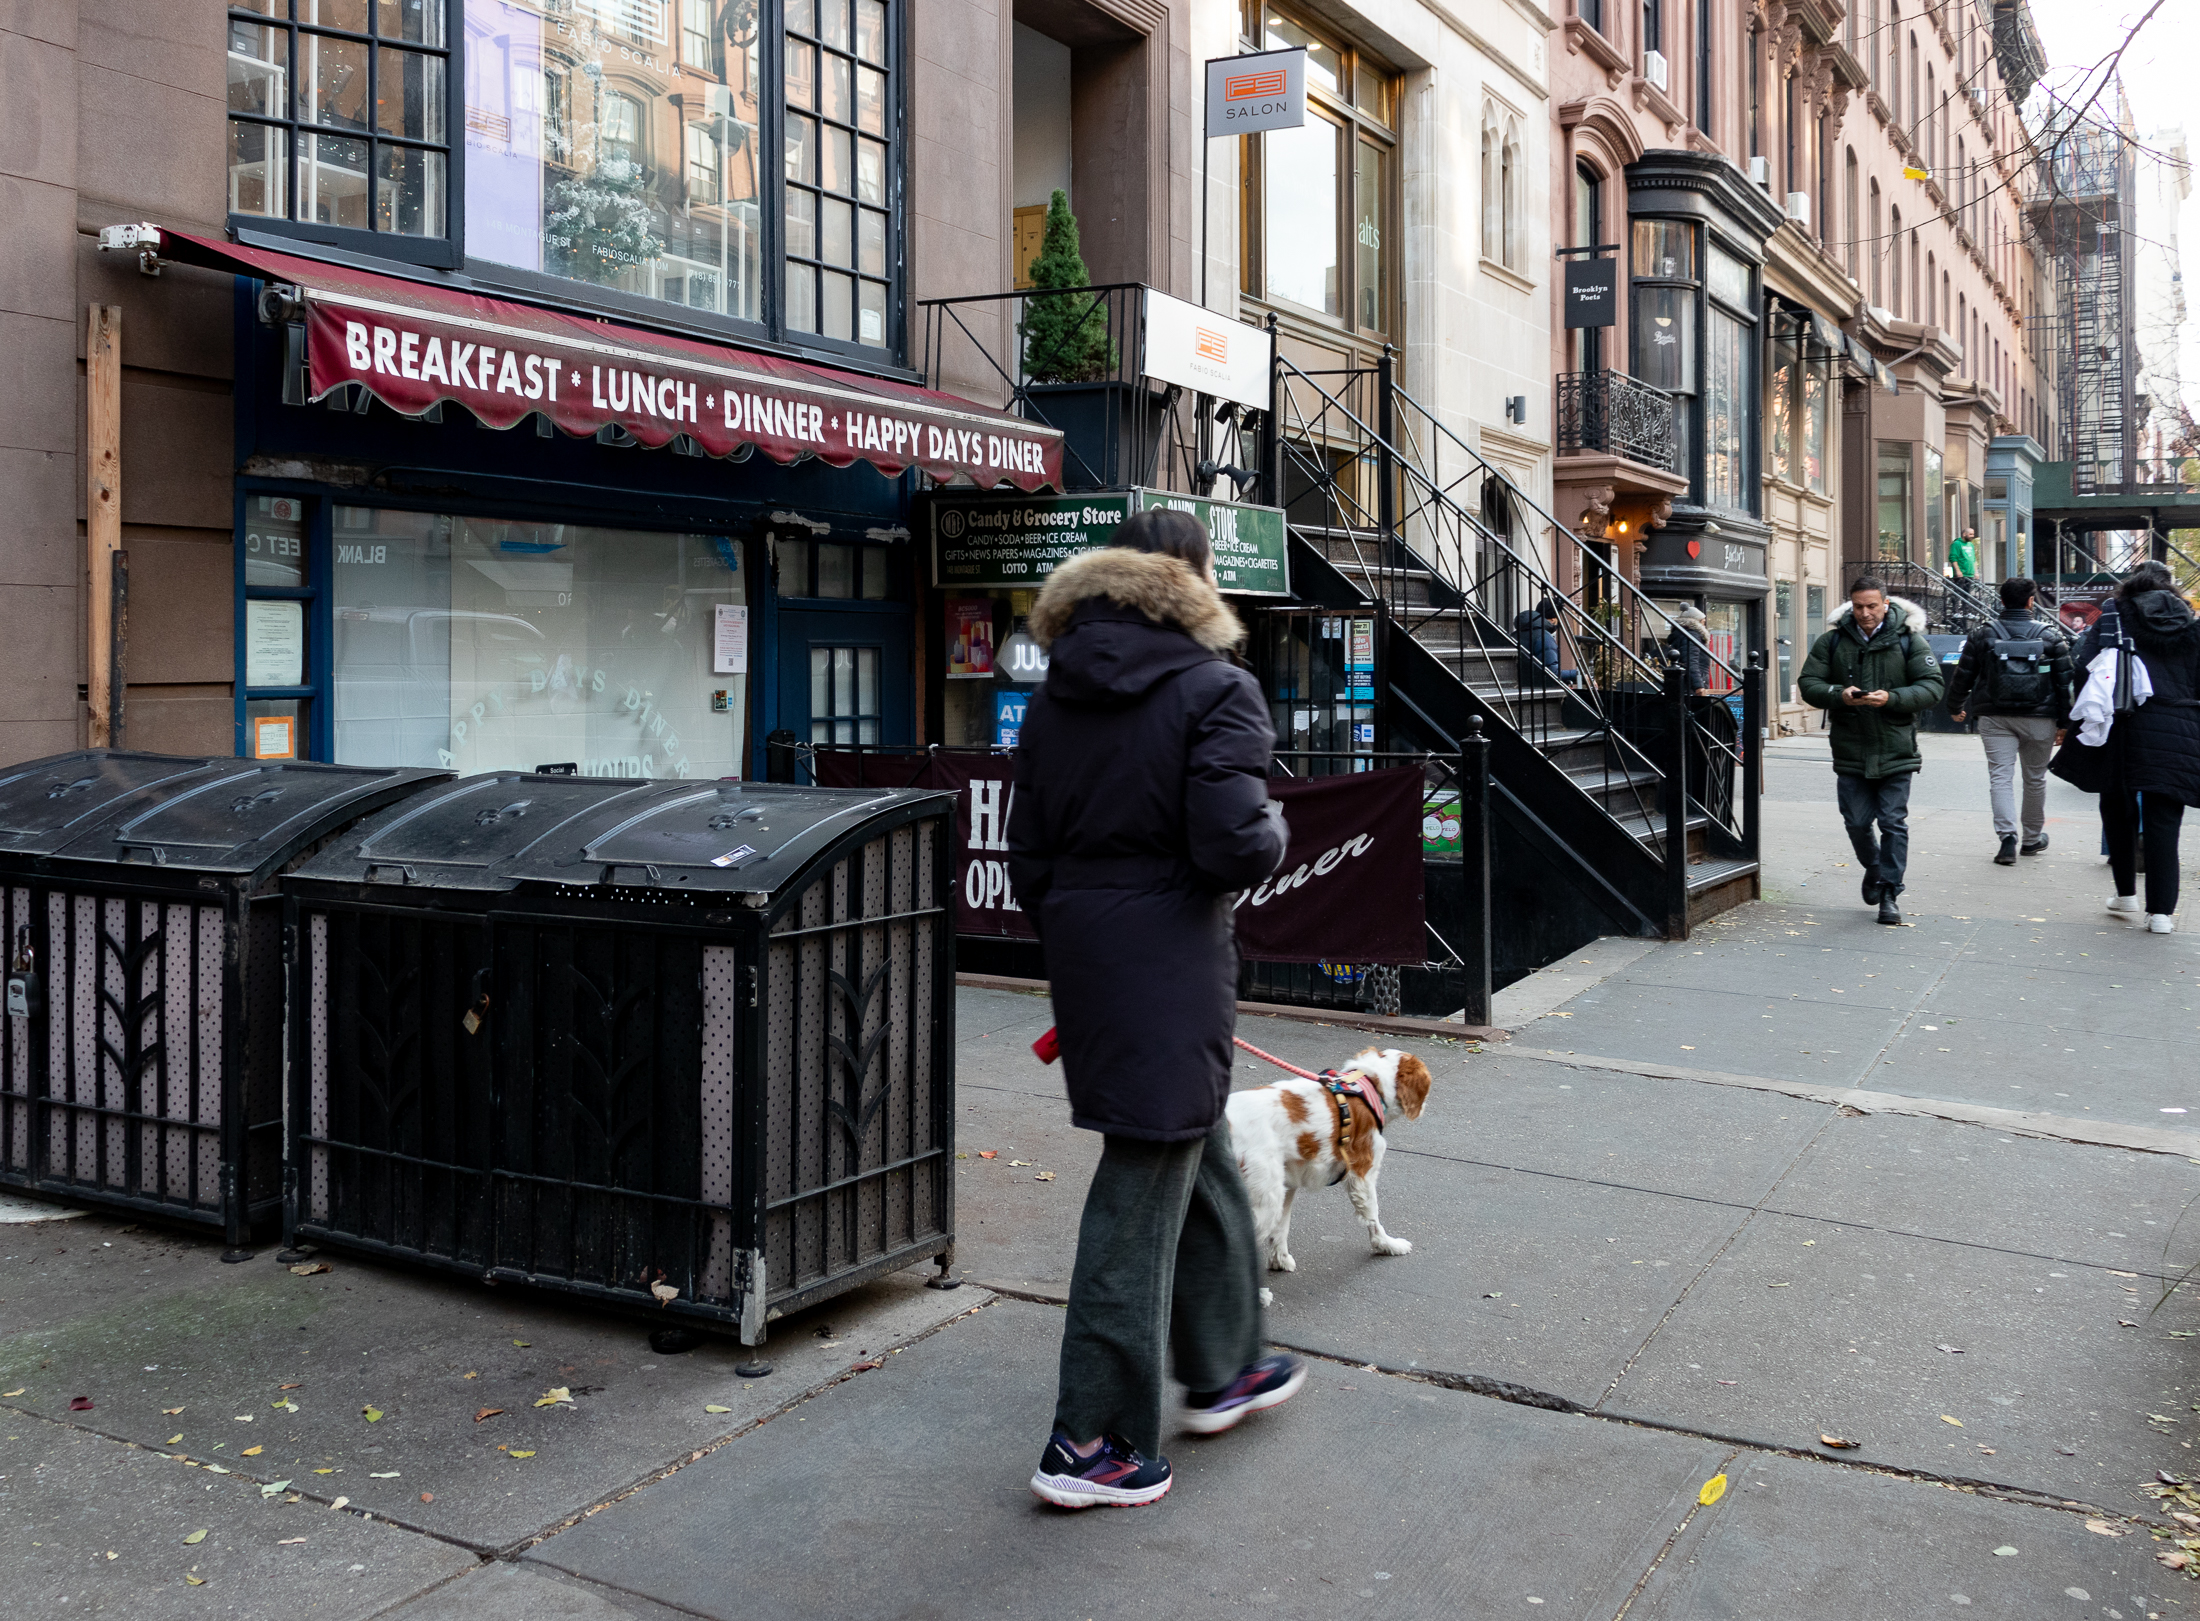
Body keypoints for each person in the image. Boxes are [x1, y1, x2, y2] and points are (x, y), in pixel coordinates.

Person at [1007, 507, 1302, 1510]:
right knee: (1140, 1183)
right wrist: (1274, 823)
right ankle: (1091, 1441)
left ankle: (1227, 1367)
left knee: (1191, 1139)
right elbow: (1233, 843)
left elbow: (1029, 858)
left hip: (1092, 949)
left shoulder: (1052, 697)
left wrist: (1088, 936)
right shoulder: (1218, 687)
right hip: (1170, 948)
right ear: (1197, 578)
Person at [2053, 560, 2200, 934]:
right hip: (2179, 731)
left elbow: (2084, 667)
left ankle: (2125, 893)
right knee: (2165, 821)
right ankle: (2162, 914)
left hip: (2123, 728)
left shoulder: (2113, 618)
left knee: (2116, 808)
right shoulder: (2192, 626)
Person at [1797, 576, 1945, 925]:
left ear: (1885, 605)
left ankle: (1890, 892)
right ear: (1851, 605)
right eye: (1859, 606)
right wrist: (1839, 694)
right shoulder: (1832, 642)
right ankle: (1876, 866)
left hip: (1896, 748)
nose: (1865, 613)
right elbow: (1809, 683)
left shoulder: (1910, 641)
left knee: (1893, 822)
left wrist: (1892, 698)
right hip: (1851, 748)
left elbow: (1932, 686)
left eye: (1872, 606)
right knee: (1857, 822)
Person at [1944, 576, 2074, 864]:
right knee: (2035, 779)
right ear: (2031, 601)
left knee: (2000, 777)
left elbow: (1963, 675)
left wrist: (1955, 706)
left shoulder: (1983, 634)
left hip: (1995, 716)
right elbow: (2065, 683)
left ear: (2001, 601)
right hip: (2040, 717)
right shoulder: (2051, 636)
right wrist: (2065, 723)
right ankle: (2031, 839)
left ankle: (2007, 838)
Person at [1512, 597, 1576, 686]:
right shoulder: (1544, 637)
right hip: (1537, 690)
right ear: (1554, 619)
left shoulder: (1514, 635)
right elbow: (1552, 672)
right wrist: (1577, 675)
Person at [1665, 603, 1713, 696]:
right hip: (1691, 688)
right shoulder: (1692, 635)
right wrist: (1699, 686)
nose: (1704, 624)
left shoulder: (1682, 635)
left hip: (1687, 685)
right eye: (1703, 621)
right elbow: (1691, 661)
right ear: (1697, 621)